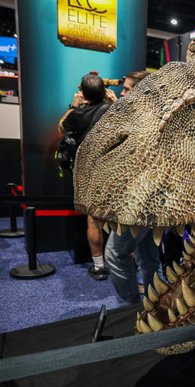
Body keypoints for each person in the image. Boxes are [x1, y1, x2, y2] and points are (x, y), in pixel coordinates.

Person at [103, 70, 158, 303]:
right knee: (147, 256)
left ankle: (131, 307)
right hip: (148, 199)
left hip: (140, 200)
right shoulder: (148, 117)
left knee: (115, 254)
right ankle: (154, 303)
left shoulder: (146, 122)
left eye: (127, 89)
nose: (122, 93)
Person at [60, 73, 111, 280]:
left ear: (83, 92)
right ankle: (130, 262)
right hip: (113, 171)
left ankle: (99, 267)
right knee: (125, 221)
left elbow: (61, 127)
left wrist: (73, 105)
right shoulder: (113, 112)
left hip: (90, 174)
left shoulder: (76, 115)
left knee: (93, 221)